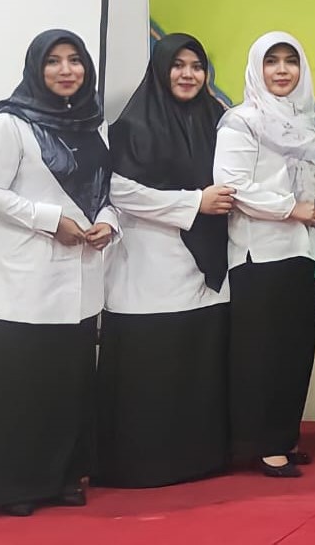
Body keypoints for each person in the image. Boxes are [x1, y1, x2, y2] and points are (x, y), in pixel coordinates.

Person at [0, 30, 117, 516]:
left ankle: (60, 477)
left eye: (75, 60)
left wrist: (108, 222)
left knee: (65, 384)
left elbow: (104, 191)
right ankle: (13, 486)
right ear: (36, 68)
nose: (66, 70)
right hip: (22, 276)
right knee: (18, 387)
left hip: (79, 275)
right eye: (53, 61)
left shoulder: (92, 124)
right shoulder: (9, 123)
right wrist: (49, 221)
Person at [95, 33, 233, 489]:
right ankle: (143, 466)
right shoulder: (131, 126)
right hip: (148, 266)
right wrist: (193, 203)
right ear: (160, 69)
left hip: (207, 268)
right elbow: (118, 190)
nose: (188, 74)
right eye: (178, 65)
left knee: (197, 362)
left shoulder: (220, 121)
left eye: (197, 66)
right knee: (151, 369)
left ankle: (201, 459)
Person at [215, 31, 315, 478]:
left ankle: (284, 435)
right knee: (261, 352)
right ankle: (260, 443)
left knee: (296, 350)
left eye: (290, 61)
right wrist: (290, 209)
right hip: (260, 251)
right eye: (272, 61)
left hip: (307, 250)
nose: (282, 70)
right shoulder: (241, 120)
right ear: (257, 68)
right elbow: (232, 185)